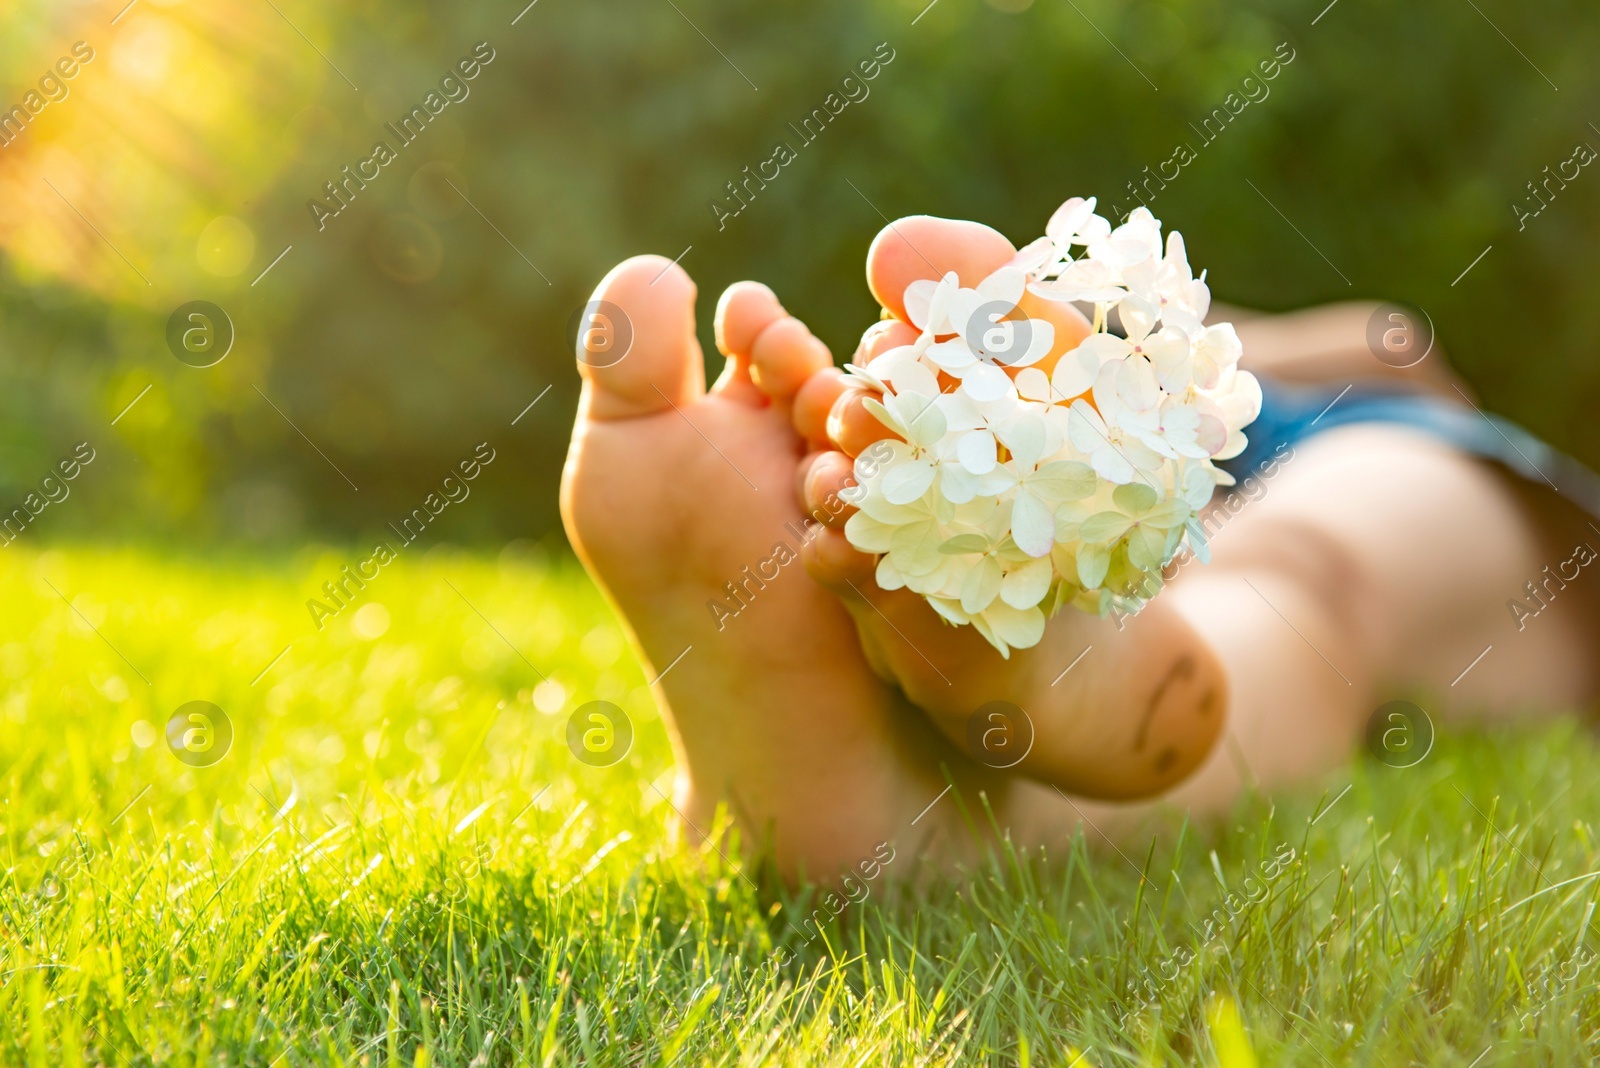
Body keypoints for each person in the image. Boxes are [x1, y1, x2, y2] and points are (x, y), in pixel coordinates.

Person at [560, 214, 1600, 883]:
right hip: (1167, 493)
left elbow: (1368, 347)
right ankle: (911, 809)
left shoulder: (1403, 394)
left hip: (1379, 460)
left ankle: (1061, 636)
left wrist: (1118, 352)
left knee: (1298, 573)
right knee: (1260, 577)